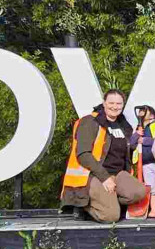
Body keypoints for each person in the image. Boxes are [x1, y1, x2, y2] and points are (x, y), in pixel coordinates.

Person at [61, 89, 147, 223]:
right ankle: (84, 206)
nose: (115, 106)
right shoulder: (90, 121)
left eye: (119, 104)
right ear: (104, 103)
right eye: (111, 102)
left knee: (139, 192)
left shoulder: (122, 124)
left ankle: (108, 202)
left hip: (117, 174)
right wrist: (105, 178)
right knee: (111, 216)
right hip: (94, 175)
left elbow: (125, 149)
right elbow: (83, 154)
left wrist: (137, 142)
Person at [129, 105, 155, 218]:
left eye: (144, 112)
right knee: (151, 187)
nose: (141, 114)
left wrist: (145, 140)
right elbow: (132, 143)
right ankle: (153, 210)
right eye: (140, 112)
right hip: (145, 163)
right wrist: (137, 134)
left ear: (152, 115)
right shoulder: (138, 127)